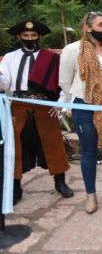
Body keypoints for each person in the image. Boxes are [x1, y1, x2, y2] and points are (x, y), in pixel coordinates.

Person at [59, 11, 102, 214]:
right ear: (87, 28)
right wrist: (78, 99)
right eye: (99, 25)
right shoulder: (73, 50)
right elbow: (64, 80)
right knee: (88, 152)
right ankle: (91, 195)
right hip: (85, 107)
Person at [0, 20, 73, 204]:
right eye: (26, 36)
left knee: (53, 144)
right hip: (19, 106)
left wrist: (61, 104)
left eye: (33, 36)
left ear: (39, 36)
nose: (30, 39)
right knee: (15, 148)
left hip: (45, 105)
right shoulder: (10, 58)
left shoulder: (52, 58)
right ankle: (15, 186)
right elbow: (5, 84)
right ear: (19, 37)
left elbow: (63, 83)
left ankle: (60, 182)